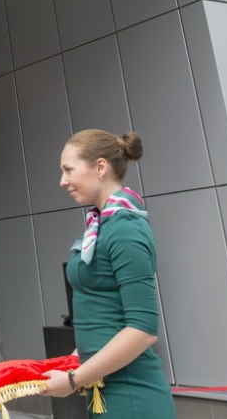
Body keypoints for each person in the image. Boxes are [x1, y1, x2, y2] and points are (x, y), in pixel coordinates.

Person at [43, 129, 176, 419]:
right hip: (104, 390)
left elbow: (142, 330)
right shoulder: (103, 225)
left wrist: (72, 380)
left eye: (68, 170)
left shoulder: (125, 228)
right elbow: (104, 316)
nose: (62, 181)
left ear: (100, 167)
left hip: (132, 396)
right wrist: (76, 363)